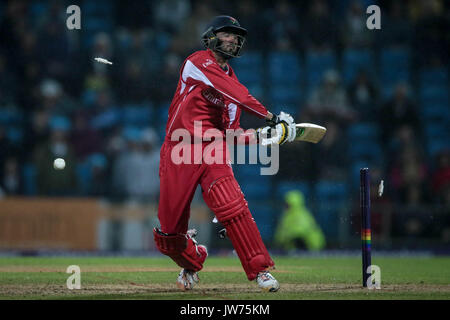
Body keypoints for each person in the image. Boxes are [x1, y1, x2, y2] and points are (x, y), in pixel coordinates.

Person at [153, 16, 297, 292]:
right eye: (227, 34)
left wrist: (263, 138)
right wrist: (273, 119)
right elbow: (239, 95)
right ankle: (193, 258)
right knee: (168, 234)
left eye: (236, 36)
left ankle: (260, 271)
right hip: (179, 148)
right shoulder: (197, 63)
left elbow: (232, 134)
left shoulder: (232, 87)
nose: (232, 39)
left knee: (232, 205)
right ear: (211, 36)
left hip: (211, 150)